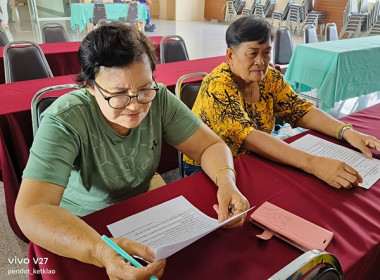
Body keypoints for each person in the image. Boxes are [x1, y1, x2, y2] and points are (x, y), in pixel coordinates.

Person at [15, 23, 249, 280]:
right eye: (119, 95)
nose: (135, 105)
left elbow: (210, 145)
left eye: (144, 89)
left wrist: (226, 181)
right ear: (91, 87)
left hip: (140, 208)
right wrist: (98, 250)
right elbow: (31, 209)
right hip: (84, 223)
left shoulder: (158, 98)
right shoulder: (65, 119)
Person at [183, 15, 380, 190]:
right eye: (253, 53)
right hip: (209, 168)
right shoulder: (218, 85)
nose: (261, 61)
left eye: (266, 52)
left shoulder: (270, 78)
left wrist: (346, 131)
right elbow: (249, 137)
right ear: (230, 56)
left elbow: (300, 111)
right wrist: (314, 164)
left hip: (251, 158)